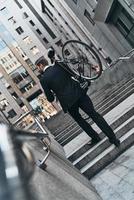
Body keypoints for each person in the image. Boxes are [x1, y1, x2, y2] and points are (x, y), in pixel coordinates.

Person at [35, 51, 120, 147]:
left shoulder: (43, 79)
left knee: (80, 120)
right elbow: (72, 74)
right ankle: (113, 139)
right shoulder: (59, 66)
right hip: (79, 93)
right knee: (94, 115)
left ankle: (95, 137)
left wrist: (55, 92)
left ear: (41, 65)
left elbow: (50, 98)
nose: (38, 69)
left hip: (68, 102)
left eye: (37, 67)